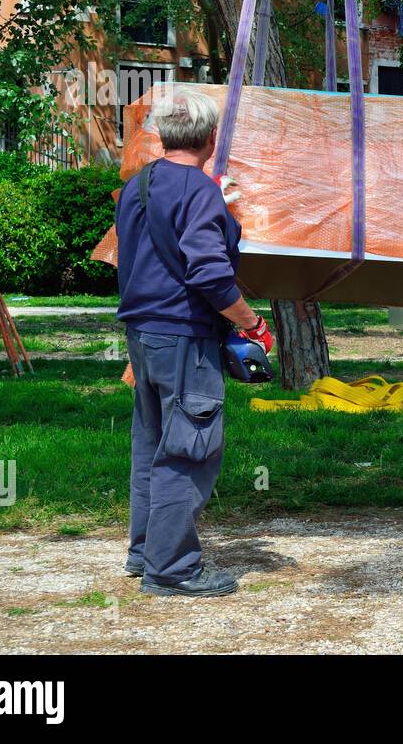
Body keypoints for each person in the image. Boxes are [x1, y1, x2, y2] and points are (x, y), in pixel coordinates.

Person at [116, 89, 274, 597]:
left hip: (142, 334)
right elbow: (209, 273)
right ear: (210, 139)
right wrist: (250, 323)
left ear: (162, 135)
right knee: (190, 450)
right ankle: (174, 570)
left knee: (152, 446)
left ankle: (145, 554)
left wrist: (218, 209)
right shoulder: (200, 191)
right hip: (184, 336)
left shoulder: (139, 185)